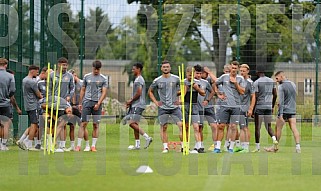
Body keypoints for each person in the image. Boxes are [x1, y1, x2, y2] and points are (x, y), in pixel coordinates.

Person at [148, 60, 183, 154]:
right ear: (161, 68)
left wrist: (179, 99)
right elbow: (150, 91)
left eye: (167, 66)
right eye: (164, 67)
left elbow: (183, 89)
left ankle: (183, 146)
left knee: (181, 125)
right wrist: (155, 102)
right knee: (164, 127)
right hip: (163, 108)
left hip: (175, 107)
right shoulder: (157, 80)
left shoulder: (176, 78)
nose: (166, 68)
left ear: (170, 68)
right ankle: (165, 147)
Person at [75, 60, 108, 152]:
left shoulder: (103, 79)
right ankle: (78, 146)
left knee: (95, 124)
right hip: (87, 102)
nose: (96, 71)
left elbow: (104, 92)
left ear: (100, 69)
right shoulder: (87, 77)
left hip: (97, 103)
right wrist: (80, 103)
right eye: (94, 69)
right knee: (83, 123)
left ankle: (93, 146)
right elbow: (83, 89)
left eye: (97, 69)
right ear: (92, 68)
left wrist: (98, 103)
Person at [214, 61, 246, 153]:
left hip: (236, 106)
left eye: (235, 68)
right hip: (224, 106)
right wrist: (218, 94)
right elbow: (215, 84)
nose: (233, 70)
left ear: (238, 69)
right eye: (232, 68)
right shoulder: (224, 77)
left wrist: (235, 83)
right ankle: (217, 147)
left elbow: (242, 92)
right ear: (230, 68)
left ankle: (231, 148)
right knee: (221, 126)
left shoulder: (240, 79)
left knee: (233, 126)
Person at [125, 63, 153, 150]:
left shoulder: (139, 80)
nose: (132, 70)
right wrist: (130, 102)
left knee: (131, 123)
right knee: (135, 124)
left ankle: (147, 137)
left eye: (134, 69)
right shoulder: (137, 79)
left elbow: (139, 92)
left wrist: (131, 100)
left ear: (139, 69)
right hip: (136, 104)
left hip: (138, 104)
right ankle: (137, 145)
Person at [49, 57, 75, 151]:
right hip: (54, 104)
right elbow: (49, 88)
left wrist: (69, 96)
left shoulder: (70, 76)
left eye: (66, 65)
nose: (65, 67)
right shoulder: (52, 75)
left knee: (62, 124)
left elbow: (72, 88)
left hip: (65, 104)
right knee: (55, 124)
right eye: (63, 65)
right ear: (59, 65)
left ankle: (60, 145)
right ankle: (53, 143)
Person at [272, 71, 301, 153]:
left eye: (277, 78)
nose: (276, 80)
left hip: (284, 111)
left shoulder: (281, 87)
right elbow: (292, 97)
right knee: (294, 128)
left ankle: (275, 147)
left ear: (281, 76)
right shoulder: (293, 84)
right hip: (292, 110)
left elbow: (281, 102)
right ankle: (298, 146)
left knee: (278, 128)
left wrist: (280, 115)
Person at [253, 66, 278, 152]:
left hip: (259, 106)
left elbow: (255, 97)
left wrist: (253, 110)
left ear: (257, 72)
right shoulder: (271, 81)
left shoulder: (257, 82)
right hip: (268, 106)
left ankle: (257, 147)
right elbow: (275, 94)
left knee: (257, 128)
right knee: (269, 126)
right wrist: (272, 106)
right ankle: (274, 139)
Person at [194, 65, 217, 153]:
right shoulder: (191, 81)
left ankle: (216, 146)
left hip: (209, 107)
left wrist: (207, 100)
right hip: (198, 108)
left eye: (202, 73)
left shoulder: (208, 80)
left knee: (214, 126)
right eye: (199, 73)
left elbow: (214, 87)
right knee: (199, 127)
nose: (200, 75)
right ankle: (200, 145)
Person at [183, 66, 206, 154]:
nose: (191, 77)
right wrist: (185, 89)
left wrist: (197, 88)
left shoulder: (197, 82)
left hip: (194, 106)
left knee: (196, 127)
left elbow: (203, 93)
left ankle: (199, 146)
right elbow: (177, 93)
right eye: (189, 75)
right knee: (186, 127)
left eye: (192, 75)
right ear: (186, 74)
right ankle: (185, 145)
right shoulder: (183, 82)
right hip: (185, 106)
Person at [22, 65, 43, 150]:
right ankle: (29, 144)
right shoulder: (32, 82)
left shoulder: (24, 80)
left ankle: (26, 141)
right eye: (37, 72)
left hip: (27, 104)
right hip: (33, 105)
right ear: (32, 71)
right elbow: (39, 95)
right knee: (34, 124)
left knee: (33, 124)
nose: (37, 74)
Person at [236, 64, 256, 153]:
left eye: (244, 71)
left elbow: (253, 96)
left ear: (248, 71)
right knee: (241, 127)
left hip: (244, 107)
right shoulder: (239, 80)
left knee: (244, 127)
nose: (242, 72)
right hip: (237, 107)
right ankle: (241, 146)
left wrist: (251, 108)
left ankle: (246, 147)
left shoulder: (250, 82)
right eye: (241, 71)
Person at [0, 58, 16, 151]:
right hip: (5, 103)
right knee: (5, 124)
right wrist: (8, 95)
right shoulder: (10, 76)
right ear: (6, 65)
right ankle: (4, 144)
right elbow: (12, 90)